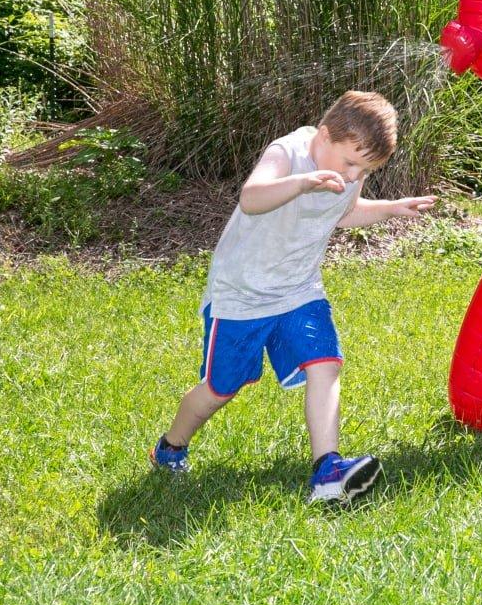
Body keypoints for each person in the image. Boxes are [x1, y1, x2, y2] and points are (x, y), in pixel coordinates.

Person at [150, 89, 435, 502]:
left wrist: (390, 208)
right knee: (220, 388)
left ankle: (328, 469)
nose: (354, 176)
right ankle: (170, 447)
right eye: (351, 163)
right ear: (324, 135)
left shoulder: (349, 169)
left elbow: (346, 212)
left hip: (299, 290)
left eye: (365, 169)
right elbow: (252, 198)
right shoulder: (288, 152)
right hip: (243, 294)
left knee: (326, 363)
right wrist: (301, 183)